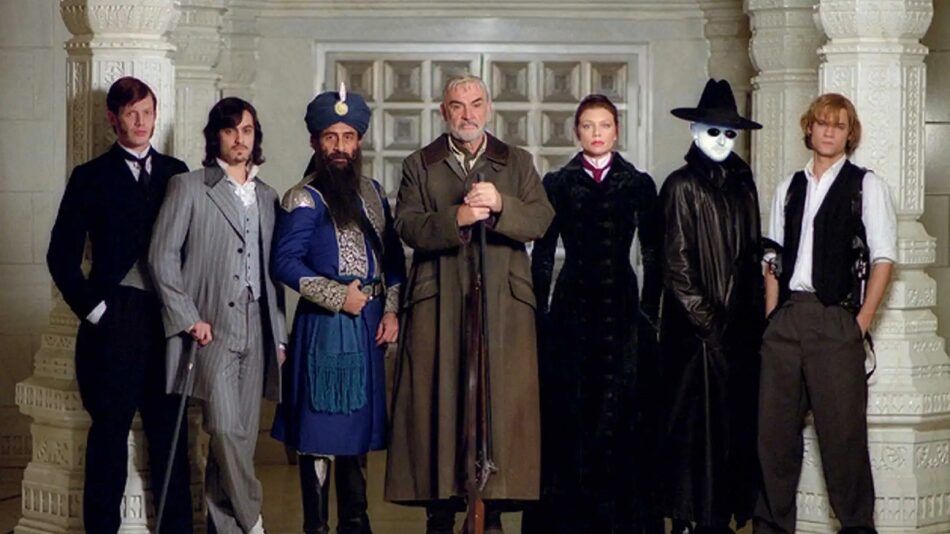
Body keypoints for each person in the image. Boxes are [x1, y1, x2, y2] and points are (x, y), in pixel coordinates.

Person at [384, 74, 554, 533]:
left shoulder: (515, 161)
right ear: (444, 111)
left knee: (501, 402)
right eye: (457, 106)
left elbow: (541, 218)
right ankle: (440, 511)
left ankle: (492, 511)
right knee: (437, 402)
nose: (467, 114)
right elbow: (406, 225)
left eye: (476, 104)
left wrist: (501, 205)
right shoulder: (420, 164)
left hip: (503, 303)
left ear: (489, 108)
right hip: (439, 300)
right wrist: (455, 218)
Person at [46, 76, 193, 534]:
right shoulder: (89, 177)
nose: (141, 121)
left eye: (147, 112)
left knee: (171, 436)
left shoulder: (177, 173)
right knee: (108, 437)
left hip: (167, 321)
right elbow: (60, 256)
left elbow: (192, 250)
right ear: (113, 119)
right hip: (114, 323)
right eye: (131, 113)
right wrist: (97, 312)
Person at [754, 94, 895, 534]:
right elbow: (772, 259)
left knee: (843, 439)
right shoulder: (788, 187)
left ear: (849, 134)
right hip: (787, 320)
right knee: (773, 439)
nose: (829, 131)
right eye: (822, 123)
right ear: (809, 128)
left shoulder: (866, 186)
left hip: (835, 321)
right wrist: (772, 317)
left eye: (839, 125)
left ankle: (857, 527)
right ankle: (771, 528)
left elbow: (883, 259)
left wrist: (859, 324)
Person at [270, 86, 406, 534]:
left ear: (359, 141)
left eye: (348, 137)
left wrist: (391, 311)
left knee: (356, 435)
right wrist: (335, 295)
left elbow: (393, 259)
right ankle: (317, 528)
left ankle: (356, 524)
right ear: (315, 141)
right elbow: (284, 262)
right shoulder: (302, 198)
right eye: (331, 137)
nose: (340, 147)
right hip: (324, 329)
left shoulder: (373, 193)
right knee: (321, 434)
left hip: (369, 326)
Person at [149, 97, 287, 534]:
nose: (239, 139)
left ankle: (226, 530)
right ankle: (254, 520)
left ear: (255, 136)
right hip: (212, 330)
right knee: (225, 430)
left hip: (257, 328)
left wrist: (279, 336)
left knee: (240, 443)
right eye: (230, 130)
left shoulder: (268, 197)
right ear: (216, 137)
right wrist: (188, 317)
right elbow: (161, 257)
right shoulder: (189, 187)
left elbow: (272, 275)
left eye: (246, 130)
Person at [526, 94, 662, 533]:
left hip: (622, 305)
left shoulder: (637, 183)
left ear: (616, 131)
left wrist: (649, 315)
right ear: (577, 132)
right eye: (588, 126)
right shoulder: (558, 183)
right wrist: (540, 316)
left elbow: (654, 255)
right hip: (572, 307)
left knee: (621, 411)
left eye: (604, 125)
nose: (597, 133)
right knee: (572, 410)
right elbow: (542, 255)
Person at [657, 79, 765, 533]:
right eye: (713, 131)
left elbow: (749, 250)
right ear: (694, 131)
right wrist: (710, 325)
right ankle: (687, 520)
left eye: (729, 133)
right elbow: (676, 265)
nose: (722, 140)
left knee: (730, 432)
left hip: (739, 333)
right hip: (695, 339)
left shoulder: (744, 184)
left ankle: (717, 520)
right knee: (692, 435)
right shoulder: (680, 186)